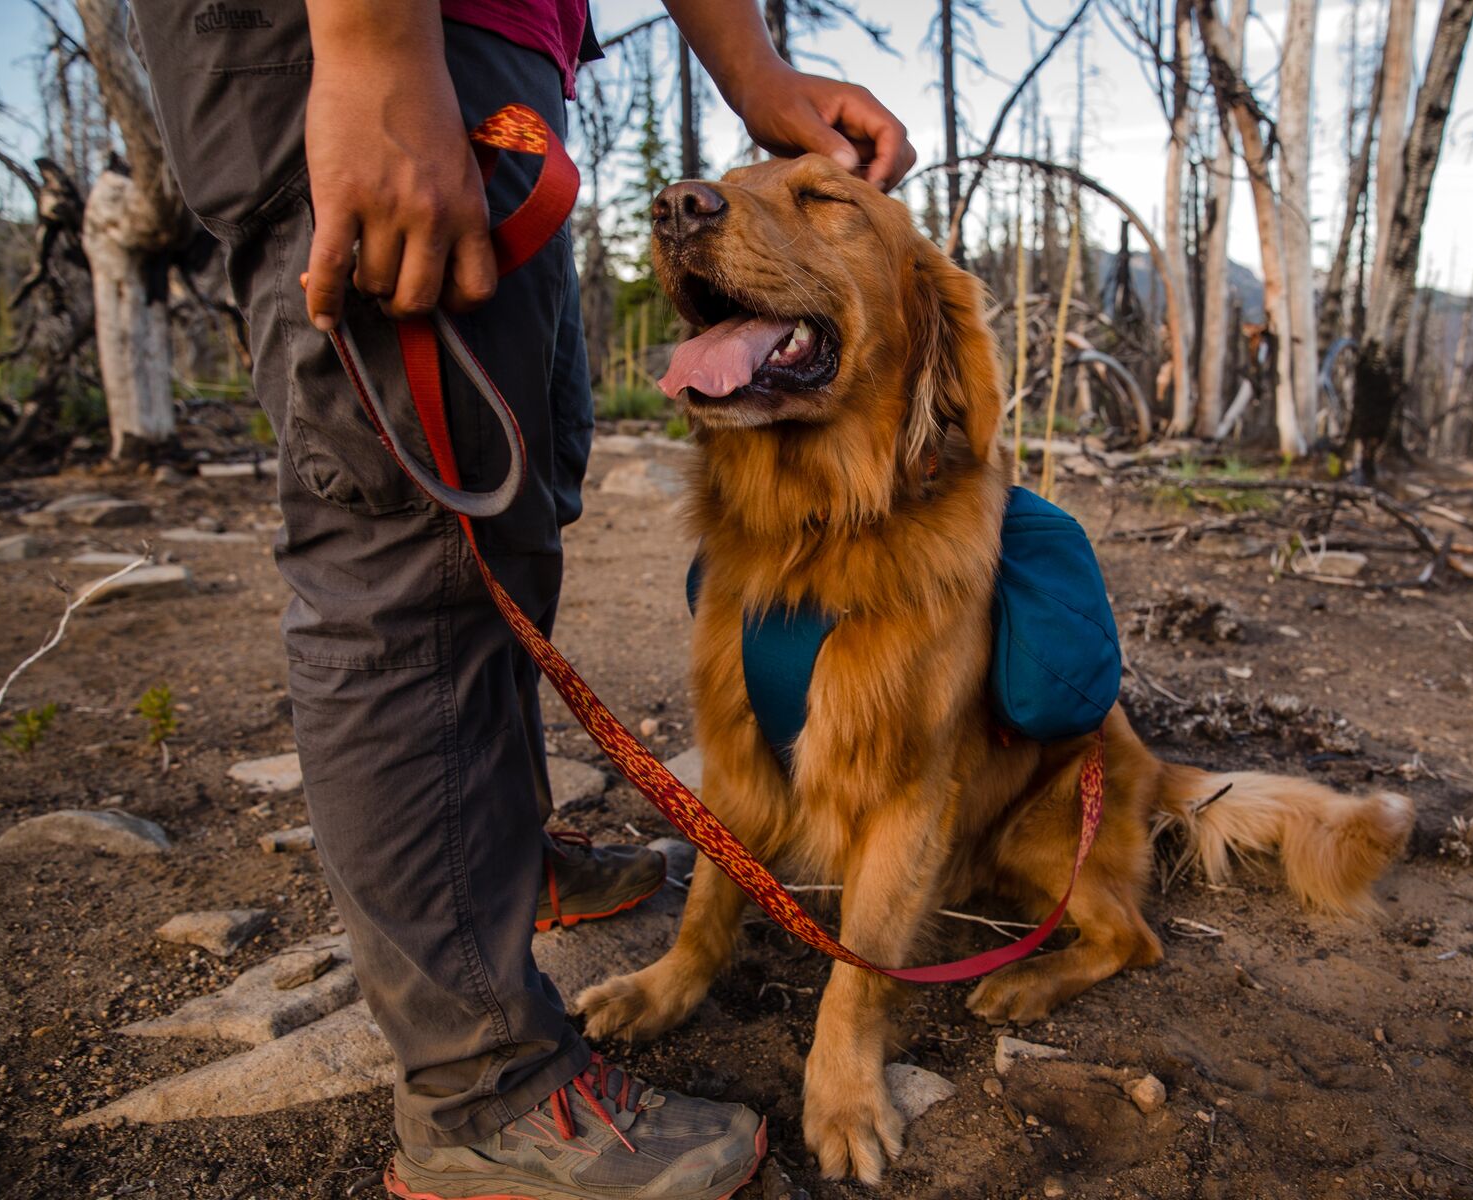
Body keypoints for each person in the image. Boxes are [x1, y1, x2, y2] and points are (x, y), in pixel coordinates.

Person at [125, 2, 915, 1196]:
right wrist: (379, 50)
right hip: (378, 40)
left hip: (501, 64)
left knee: (513, 507)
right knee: (406, 549)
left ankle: (495, 858)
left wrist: (754, 72)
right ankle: (481, 1088)